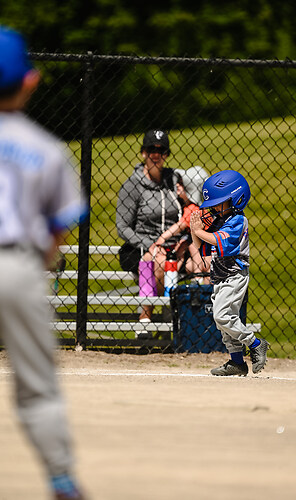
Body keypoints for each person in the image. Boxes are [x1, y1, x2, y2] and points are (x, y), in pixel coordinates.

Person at [0, 27, 87, 499]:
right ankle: (61, 481)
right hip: (18, 266)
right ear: (30, 82)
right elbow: (59, 228)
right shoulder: (47, 149)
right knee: (37, 388)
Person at [190, 169, 269, 376]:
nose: (214, 208)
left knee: (223, 316)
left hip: (235, 276)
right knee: (223, 322)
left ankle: (256, 343)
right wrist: (194, 230)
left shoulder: (237, 222)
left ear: (236, 199)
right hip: (220, 276)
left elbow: (221, 241)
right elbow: (204, 254)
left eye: (219, 202)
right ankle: (237, 362)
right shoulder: (218, 222)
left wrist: (200, 232)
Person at [116, 129, 183, 321]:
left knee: (201, 262)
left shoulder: (173, 180)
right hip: (141, 247)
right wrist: (149, 244)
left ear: (167, 155)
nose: (156, 154)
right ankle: (153, 318)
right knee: (156, 262)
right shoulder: (132, 185)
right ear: (143, 152)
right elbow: (122, 227)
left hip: (176, 244)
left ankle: (191, 323)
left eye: (161, 151)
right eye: (151, 149)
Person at [155, 166, 208, 276]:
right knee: (183, 245)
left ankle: (197, 276)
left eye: (182, 184)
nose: (177, 185)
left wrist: (162, 238)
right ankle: (171, 276)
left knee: (192, 245)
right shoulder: (188, 206)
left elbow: (180, 225)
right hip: (193, 239)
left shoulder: (194, 209)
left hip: (203, 241)